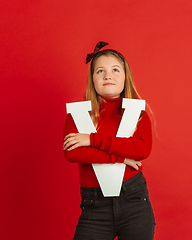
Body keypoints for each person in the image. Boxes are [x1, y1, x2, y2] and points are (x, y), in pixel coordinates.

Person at [63, 41, 155, 240]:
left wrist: (91, 139)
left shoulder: (138, 114)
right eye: (100, 71)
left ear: (125, 77)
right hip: (94, 208)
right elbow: (72, 152)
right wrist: (121, 159)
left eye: (115, 70)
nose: (108, 76)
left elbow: (141, 149)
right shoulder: (77, 115)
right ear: (92, 79)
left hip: (134, 203)